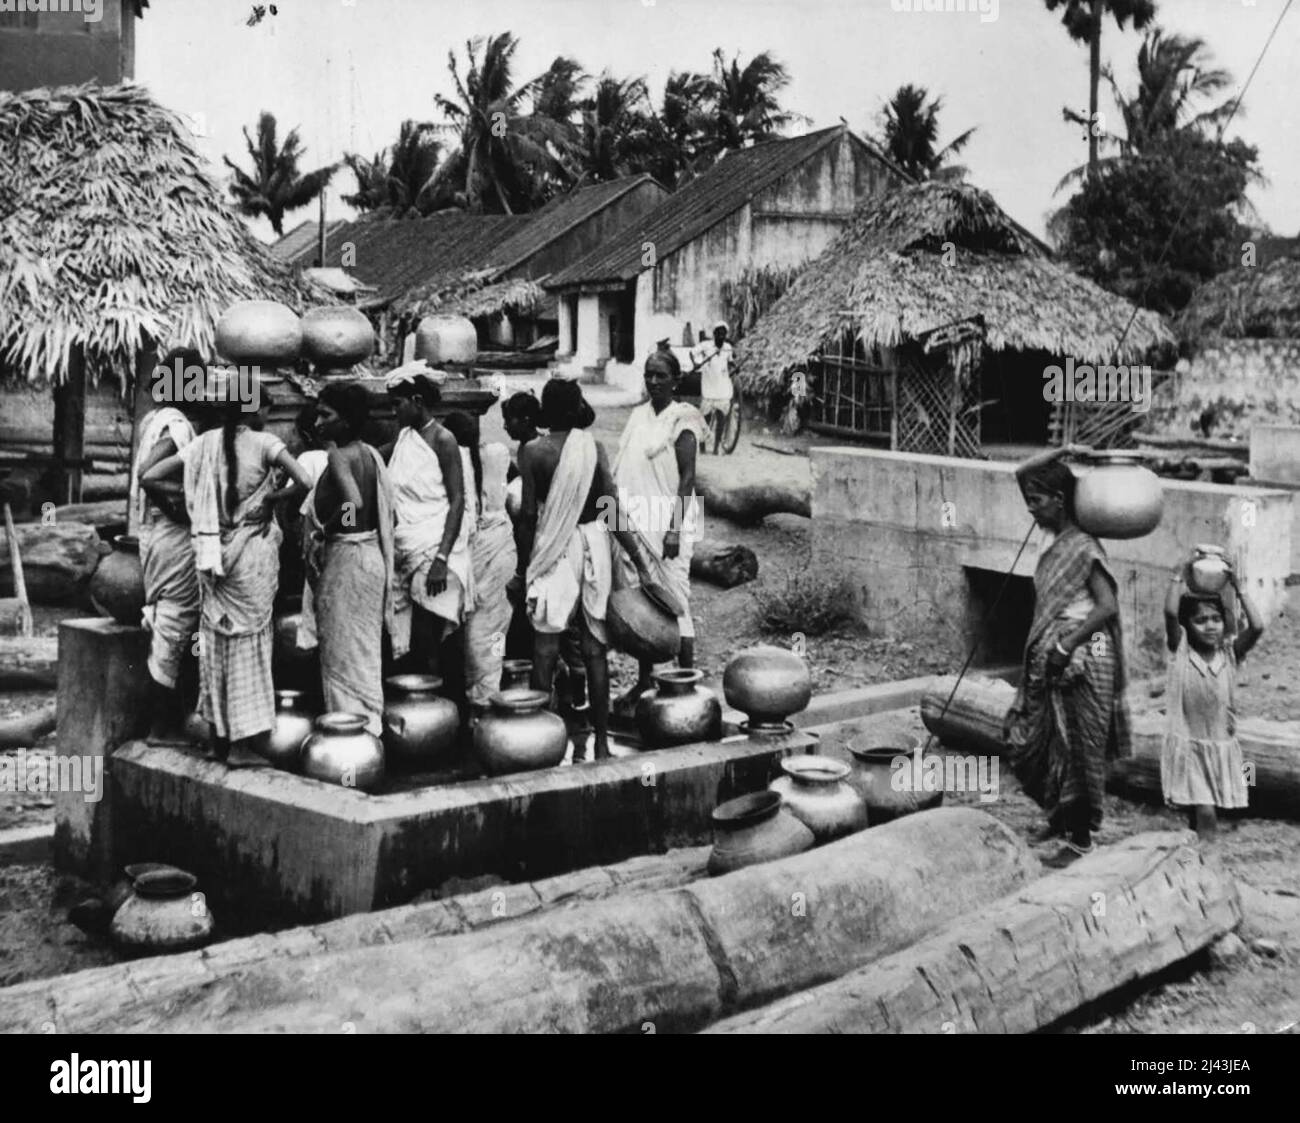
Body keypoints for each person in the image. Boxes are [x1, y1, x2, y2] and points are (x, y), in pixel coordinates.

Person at [142, 370, 313, 761]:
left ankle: (219, 739)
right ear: (254, 411)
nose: (267, 420)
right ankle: (239, 747)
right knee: (249, 647)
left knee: (216, 643)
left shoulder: (204, 443)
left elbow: (151, 476)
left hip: (212, 555)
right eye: (266, 412)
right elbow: (305, 481)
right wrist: (271, 501)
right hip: (249, 558)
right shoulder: (266, 443)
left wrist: (191, 507)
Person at [1003, 444, 1130, 868]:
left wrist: (1065, 644)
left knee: (1078, 749)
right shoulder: (1050, 535)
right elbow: (1022, 470)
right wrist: (1065, 451)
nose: (1031, 510)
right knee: (1035, 743)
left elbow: (1107, 607)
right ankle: (1059, 817)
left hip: (1084, 657)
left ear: (1059, 501)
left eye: (1036, 502)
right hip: (1053, 655)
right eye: (1029, 503)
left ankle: (1080, 839)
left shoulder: (1084, 546)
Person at [517, 378, 652, 759]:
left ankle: (537, 746)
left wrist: (525, 566)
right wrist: (639, 559)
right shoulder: (593, 448)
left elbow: (528, 515)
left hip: (555, 549)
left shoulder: (532, 452)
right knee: (595, 649)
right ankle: (604, 744)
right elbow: (611, 508)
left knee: (544, 647)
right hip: (594, 544)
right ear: (578, 407)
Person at [611, 350, 709, 713]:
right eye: (649, 375)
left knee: (676, 602)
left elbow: (687, 479)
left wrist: (673, 530)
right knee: (646, 605)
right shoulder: (638, 416)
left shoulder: (684, 421)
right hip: (637, 522)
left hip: (669, 522)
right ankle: (644, 682)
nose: (653, 381)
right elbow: (624, 470)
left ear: (675, 381)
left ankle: (687, 681)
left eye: (660, 376)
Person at [303, 383, 395, 735]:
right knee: (363, 654)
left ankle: (351, 745)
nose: (319, 420)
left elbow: (353, 503)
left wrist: (324, 530)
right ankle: (369, 738)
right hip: (369, 560)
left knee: (344, 656)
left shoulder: (339, 455)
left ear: (347, 421)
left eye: (327, 414)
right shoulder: (370, 454)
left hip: (347, 561)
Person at [1162, 553, 1263, 840]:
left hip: (1219, 745)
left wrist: (1238, 587)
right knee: (1206, 812)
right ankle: (1211, 862)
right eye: (1201, 620)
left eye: (1216, 619)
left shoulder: (1230, 654)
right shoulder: (1181, 652)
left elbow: (1257, 627)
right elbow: (1170, 613)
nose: (1210, 626)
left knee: (1201, 812)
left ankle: (1197, 859)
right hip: (1189, 745)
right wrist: (1179, 574)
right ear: (1187, 626)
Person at [131, 346, 204, 740]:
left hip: (157, 534)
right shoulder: (175, 422)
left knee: (167, 620)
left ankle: (162, 720)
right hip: (172, 534)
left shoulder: (155, 418)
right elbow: (149, 474)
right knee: (175, 622)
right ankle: (160, 726)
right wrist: (179, 509)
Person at [382, 372, 472, 689]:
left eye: (397, 404)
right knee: (417, 642)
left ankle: (447, 717)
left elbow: (458, 499)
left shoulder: (443, 439)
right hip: (406, 545)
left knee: (434, 638)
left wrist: (441, 557)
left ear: (417, 402)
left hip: (433, 549)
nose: (393, 412)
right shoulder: (405, 437)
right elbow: (380, 458)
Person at [445, 410, 517, 716]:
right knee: (491, 632)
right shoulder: (498, 454)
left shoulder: (452, 463)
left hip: (474, 551)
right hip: (501, 549)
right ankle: (485, 701)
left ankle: (480, 705)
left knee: (477, 635)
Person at [691, 321, 734, 453]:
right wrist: (696, 363)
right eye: (719, 333)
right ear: (714, 334)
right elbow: (692, 353)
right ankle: (703, 445)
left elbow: (730, 362)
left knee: (721, 416)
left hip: (722, 385)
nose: (721, 336)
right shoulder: (706, 345)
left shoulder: (727, 347)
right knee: (706, 417)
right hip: (709, 383)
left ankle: (716, 447)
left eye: (723, 334)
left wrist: (735, 367)